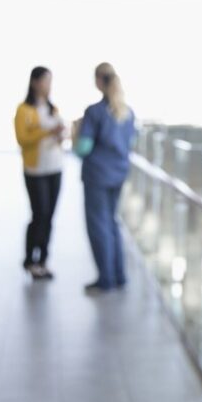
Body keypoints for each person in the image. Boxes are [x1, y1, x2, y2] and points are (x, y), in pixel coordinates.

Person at [75, 62, 135, 294]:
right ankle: (119, 275)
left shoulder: (94, 112)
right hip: (118, 173)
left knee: (99, 225)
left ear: (99, 81)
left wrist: (76, 134)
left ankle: (106, 279)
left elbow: (83, 148)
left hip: (98, 175)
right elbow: (129, 144)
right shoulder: (127, 112)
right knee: (112, 222)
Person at [14, 66, 65, 280]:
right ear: (35, 82)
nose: (48, 85)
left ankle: (43, 259)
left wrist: (60, 135)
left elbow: (59, 136)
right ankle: (30, 259)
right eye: (45, 81)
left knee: (50, 215)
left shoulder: (53, 108)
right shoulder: (24, 110)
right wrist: (46, 132)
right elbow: (23, 139)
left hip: (55, 166)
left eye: (50, 81)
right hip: (35, 170)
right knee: (39, 213)